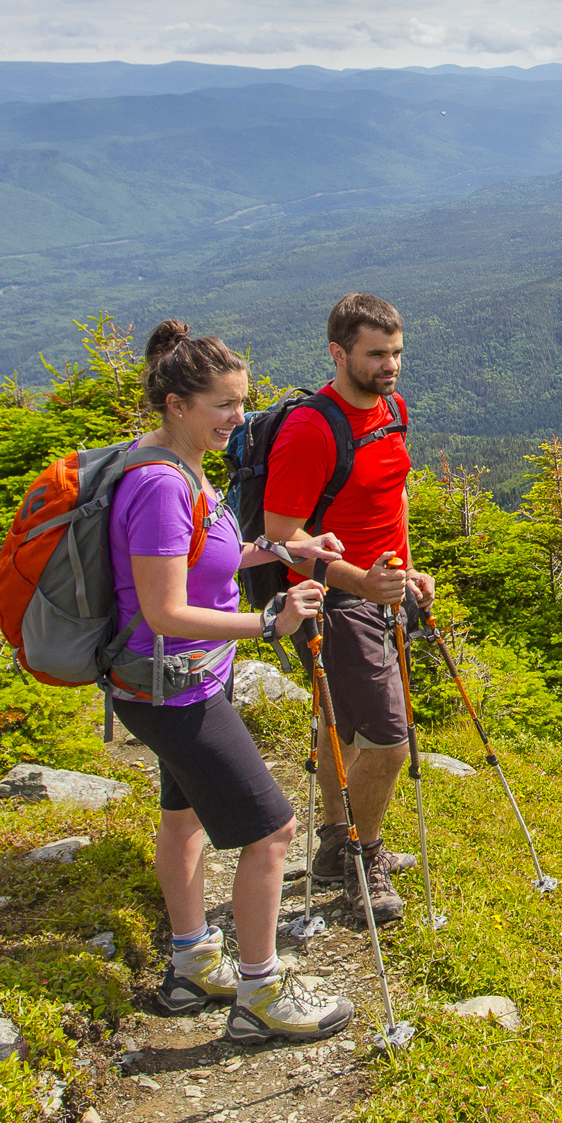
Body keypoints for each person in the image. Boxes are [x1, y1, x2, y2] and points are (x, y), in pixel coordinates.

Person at [107, 319, 355, 1044]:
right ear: (177, 402)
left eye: (241, 401)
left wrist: (282, 548)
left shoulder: (176, 460)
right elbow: (163, 608)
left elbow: (205, 557)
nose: (237, 418)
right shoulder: (158, 483)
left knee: (182, 818)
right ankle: (259, 993)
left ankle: (191, 965)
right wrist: (268, 622)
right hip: (172, 687)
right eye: (222, 404)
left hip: (174, 681)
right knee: (273, 829)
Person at [261, 292, 436, 925]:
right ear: (339, 353)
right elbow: (280, 539)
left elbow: (392, 499)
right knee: (388, 743)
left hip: (383, 591)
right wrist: (362, 582)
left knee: (336, 722)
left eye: (396, 353)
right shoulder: (312, 430)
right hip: (336, 602)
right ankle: (367, 859)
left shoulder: (392, 409)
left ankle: (336, 840)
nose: (390, 366)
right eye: (375, 354)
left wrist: (405, 569)